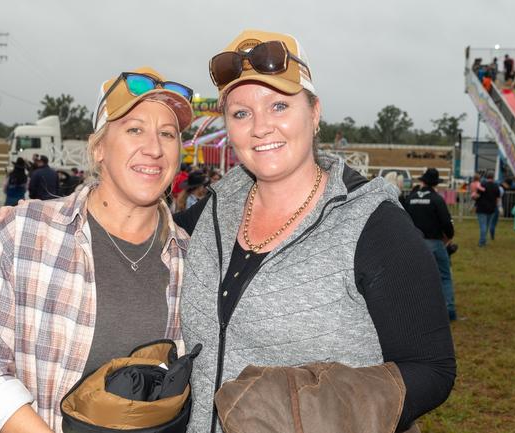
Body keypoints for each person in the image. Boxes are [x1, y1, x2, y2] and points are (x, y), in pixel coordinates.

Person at [175, 30, 455, 433]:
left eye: (278, 106)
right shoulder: (212, 210)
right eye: (241, 113)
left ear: (315, 111)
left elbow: (433, 368)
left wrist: (315, 410)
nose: (260, 127)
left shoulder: (372, 224)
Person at [0, 66, 194, 433]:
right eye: (134, 129)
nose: (154, 148)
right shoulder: (27, 231)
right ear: (98, 149)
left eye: (167, 133)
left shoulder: (190, 260)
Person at [404, 168, 458, 321]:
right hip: (434, 242)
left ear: (422, 181)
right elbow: (446, 223)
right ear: (436, 183)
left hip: (415, 243)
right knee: (444, 276)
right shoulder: (437, 199)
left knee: (416, 277)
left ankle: (416, 309)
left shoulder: (411, 198)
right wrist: (449, 236)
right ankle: (449, 310)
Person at [475, 172, 500, 247]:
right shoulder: (496, 186)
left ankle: (482, 242)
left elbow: (477, 195)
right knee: (487, 225)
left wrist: (473, 196)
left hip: (481, 208)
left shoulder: (483, 185)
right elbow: (497, 198)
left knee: (483, 226)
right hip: (491, 209)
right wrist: (496, 206)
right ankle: (484, 240)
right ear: (493, 178)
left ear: (486, 177)